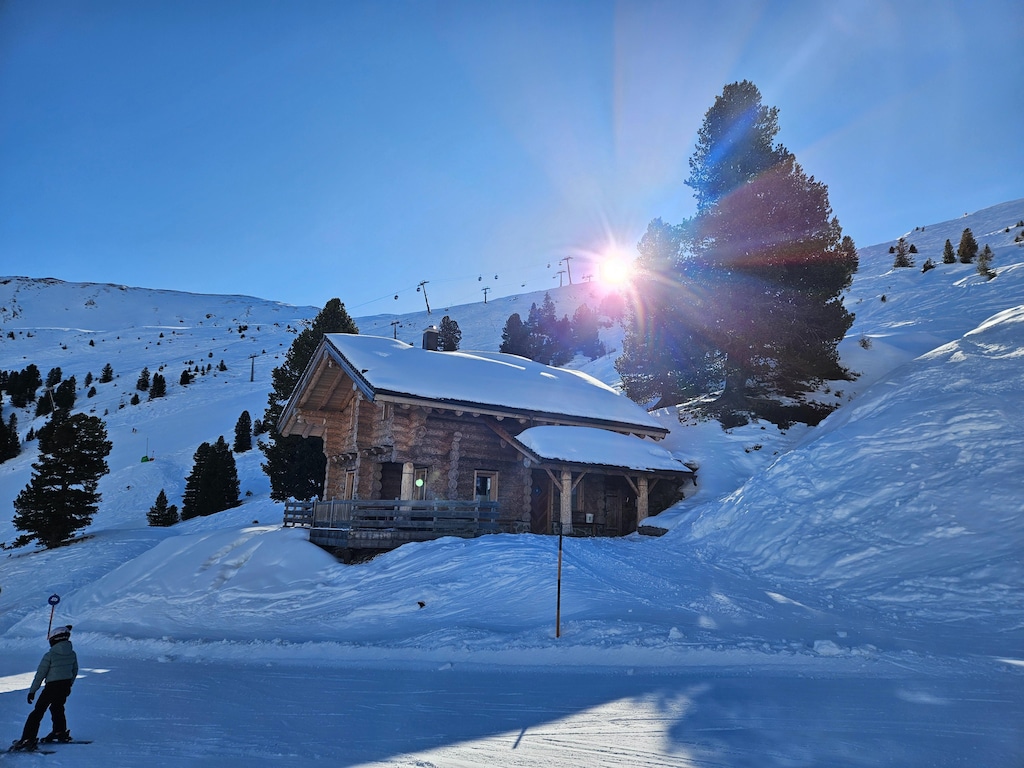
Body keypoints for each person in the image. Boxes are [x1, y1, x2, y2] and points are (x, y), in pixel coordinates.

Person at [10, 625, 78, 752]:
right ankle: (60, 732)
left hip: (52, 687)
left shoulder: (50, 655)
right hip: (65, 686)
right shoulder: (72, 653)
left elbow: (40, 674)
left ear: (54, 639)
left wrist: (32, 691)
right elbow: (74, 670)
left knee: (37, 712)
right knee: (57, 707)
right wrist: (69, 684)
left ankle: (28, 739)